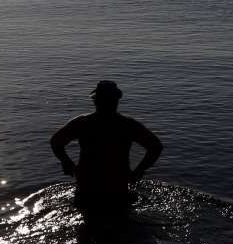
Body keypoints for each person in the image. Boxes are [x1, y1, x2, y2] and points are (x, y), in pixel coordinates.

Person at [50, 81, 163, 217]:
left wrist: (67, 163)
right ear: (116, 101)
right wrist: (138, 171)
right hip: (117, 185)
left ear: (95, 101)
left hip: (87, 186)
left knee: (87, 227)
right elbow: (155, 146)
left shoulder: (82, 123)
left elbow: (56, 142)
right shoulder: (127, 125)